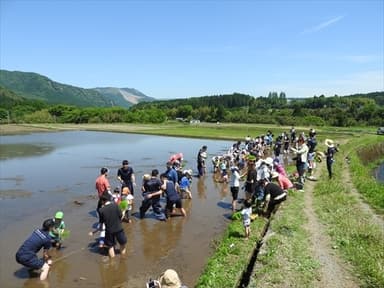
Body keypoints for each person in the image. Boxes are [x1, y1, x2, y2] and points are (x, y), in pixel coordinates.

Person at [98, 194, 127, 258]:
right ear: (108, 199)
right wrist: (124, 212)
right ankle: (123, 258)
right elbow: (121, 217)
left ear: (103, 201)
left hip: (109, 231)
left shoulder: (101, 210)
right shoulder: (116, 205)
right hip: (119, 229)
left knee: (110, 246)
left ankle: (112, 261)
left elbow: (101, 222)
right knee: (122, 244)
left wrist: (100, 229)